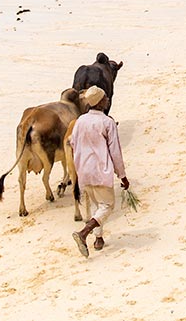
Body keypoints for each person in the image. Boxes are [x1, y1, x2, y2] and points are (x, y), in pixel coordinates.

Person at [69, 86, 129, 257]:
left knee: (97, 205)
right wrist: (122, 175)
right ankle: (84, 233)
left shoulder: (80, 120)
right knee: (108, 205)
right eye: (105, 98)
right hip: (100, 170)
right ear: (100, 102)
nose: (108, 100)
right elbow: (115, 152)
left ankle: (99, 239)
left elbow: (73, 143)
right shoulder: (107, 122)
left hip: (84, 170)